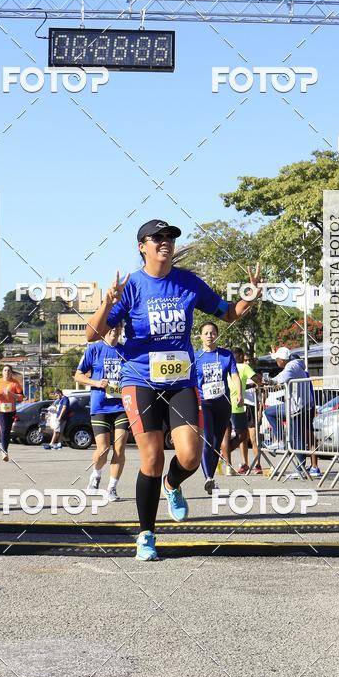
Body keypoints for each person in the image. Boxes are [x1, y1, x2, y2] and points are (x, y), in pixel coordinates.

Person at [86, 218, 263, 561]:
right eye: (158, 237)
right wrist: (108, 301)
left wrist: (249, 298)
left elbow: (228, 313)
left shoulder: (188, 283)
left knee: (190, 456)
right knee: (151, 457)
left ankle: (172, 484)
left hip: (181, 381)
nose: (165, 242)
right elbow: (92, 334)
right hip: (140, 381)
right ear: (143, 246)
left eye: (170, 237)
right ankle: (146, 535)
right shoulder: (133, 287)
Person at [75, 325, 129, 502]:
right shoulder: (94, 349)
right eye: (111, 326)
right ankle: (96, 475)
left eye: (117, 326)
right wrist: (97, 383)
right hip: (100, 406)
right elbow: (78, 375)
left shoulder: (125, 351)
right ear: (104, 329)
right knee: (103, 449)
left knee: (119, 448)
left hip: (121, 406)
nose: (114, 329)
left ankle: (112, 487)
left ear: (121, 329)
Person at [194, 322, 241, 494]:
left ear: (217, 335)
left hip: (223, 404)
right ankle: (208, 478)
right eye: (206, 333)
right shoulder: (196, 357)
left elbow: (234, 376)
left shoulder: (226, 355)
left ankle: (210, 479)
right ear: (200, 336)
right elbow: (190, 381)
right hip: (204, 403)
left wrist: (239, 394)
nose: (209, 336)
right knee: (207, 441)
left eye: (212, 333)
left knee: (216, 443)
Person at [263, 346, 319, 478]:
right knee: (271, 413)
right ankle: (302, 465)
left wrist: (266, 380)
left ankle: (300, 468)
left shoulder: (291, 367)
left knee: (298, 437)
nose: (276, 362)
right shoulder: (297, 366)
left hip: (297, 407)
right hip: (302, 405)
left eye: (277, 359)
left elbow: (278, 379)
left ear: (282, 360)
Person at [226, 348, 262, 475]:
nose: (246, 362)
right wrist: (260, 381)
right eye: (245, 359)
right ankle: (244, 463)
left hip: (243, 405)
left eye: (248, 360)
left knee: (251, 437)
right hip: (240, 405)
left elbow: (248, 384)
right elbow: (258, 381)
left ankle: (257, 464)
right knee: (242, 436)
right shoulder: (242, 368)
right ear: (241, 357)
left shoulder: (232, 367)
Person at [0, 366, 24, 461]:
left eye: (9, 370)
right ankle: (4, 451)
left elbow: (21, 397)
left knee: (7, 431)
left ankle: (5, 449)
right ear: (2, 372)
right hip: (0, 409)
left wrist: (11, 394)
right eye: (5, 370)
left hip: (11, 410)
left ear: (11, 373)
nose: (7, 372)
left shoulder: (15, 383)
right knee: (4, 429)